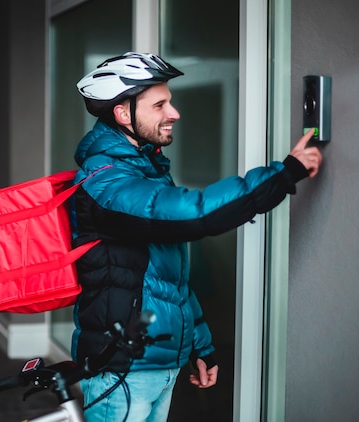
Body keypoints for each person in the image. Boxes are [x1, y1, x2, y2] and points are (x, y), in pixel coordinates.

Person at [69, 52, 322, 422]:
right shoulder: (106, 182)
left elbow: (168, 279)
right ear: (123, 113)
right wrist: (284, 174)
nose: (174, 113)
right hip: (122, 369)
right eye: (160, 104)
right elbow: (199, 213)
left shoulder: (145, 173)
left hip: (155, 364)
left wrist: (200, 347)